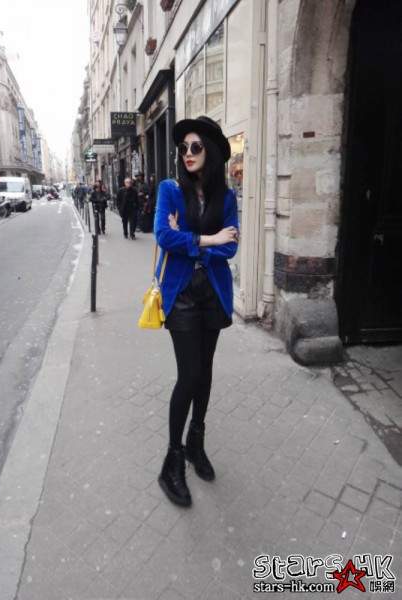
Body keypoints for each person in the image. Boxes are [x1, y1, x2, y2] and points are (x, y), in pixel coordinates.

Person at [154, 116, 239, 508]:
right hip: (183, 297)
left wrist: (190, 242)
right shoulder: (170, 190)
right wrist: (209, 238)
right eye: (183, 148)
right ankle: (172, 461)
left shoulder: (227, 198)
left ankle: (196, 443)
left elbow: (231, 246)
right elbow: (163, 236)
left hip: (213, 296)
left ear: (212, 151)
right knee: (188, 375)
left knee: (205, 373)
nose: (187, 153)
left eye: (195, 147)